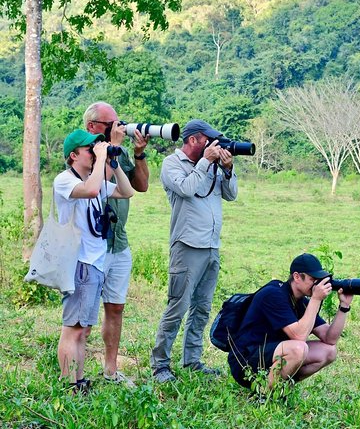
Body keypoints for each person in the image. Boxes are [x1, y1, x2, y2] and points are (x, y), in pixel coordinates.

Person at [150, 119, 238, 383]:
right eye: (206, 140)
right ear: (192, 140)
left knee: (201, 307)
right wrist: (204, 163)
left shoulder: (210, 165)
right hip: (187, 245)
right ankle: (160, 365)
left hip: (211, 245)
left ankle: (192, 361)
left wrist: (228, 169)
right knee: (178, 306)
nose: (212, 144)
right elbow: (187, 189)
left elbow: (230, 195)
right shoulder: (171, 164)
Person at [54, 129, 135, 393]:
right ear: (73, 155)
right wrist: (102, 159)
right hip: (79, 263)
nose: (94, 152)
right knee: (73, 329)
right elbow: (90, 191)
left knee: (83, 330)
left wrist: (114, 160)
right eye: (90, 150)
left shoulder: (96, 178)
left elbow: (126, 192)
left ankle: (78, 382)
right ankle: (69, 385)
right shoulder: (65, 180)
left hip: (95, 263)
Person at [83, 101, 150, 387]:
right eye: (109, 123)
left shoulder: (117, 149)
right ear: (92, 126)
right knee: (84, 312)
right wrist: (109, 150)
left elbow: (141, 186)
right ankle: (75, 371)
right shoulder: (83, 150)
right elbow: (96, 186)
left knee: (116, 308)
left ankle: (110, 370)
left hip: (119, 243)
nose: (116, 127)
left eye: (117, 122)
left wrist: (138, 153)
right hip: (92, 244)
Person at [228, 253, 355, 390]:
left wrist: (344, 306)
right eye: (313, 279)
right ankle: (263, 396)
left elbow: (330, 339)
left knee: (328, 351)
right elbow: (299, 336)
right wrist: (316, 299)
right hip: (245, 361)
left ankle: (281, 388)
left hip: (270, 356)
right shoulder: (273, 294)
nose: (317, 285)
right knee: (298, 349)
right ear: (296, 277)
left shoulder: (301, 302)